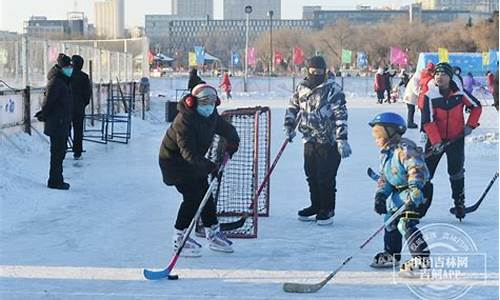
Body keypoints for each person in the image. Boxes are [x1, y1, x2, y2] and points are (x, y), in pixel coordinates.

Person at [159, 83, 240, 256]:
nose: (208, 108)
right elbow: (188, 154)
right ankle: (179, 237)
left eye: (211, 104)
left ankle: (213, 232)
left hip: (194, 162)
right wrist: (210, 166)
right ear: (193, 102)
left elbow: (226, 128)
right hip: (174, 163)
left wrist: (233, 141)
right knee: (193, 197)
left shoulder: (211, 115)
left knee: (205, 193)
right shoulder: (184, 121)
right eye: (204, 104)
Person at [284, 56, 351, 226]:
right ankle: (316, 205)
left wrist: (341, 138)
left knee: (325, 176)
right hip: (309, 138)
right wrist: (289, 125)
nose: (315, 75)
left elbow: (341, 115)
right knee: (311, 173)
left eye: (319, 72)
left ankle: (327, 208)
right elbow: (293, 107)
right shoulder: (302, 87)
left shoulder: (332, 89)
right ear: (308, 71)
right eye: (312, 72)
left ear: (324, 71)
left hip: (328, 141)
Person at [368, 112, 431, 275]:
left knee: (406, 223)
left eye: (378, 134)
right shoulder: (386, 154)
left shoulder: (405, 149)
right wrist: (381, 195)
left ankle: (421, 258)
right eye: (374, 135)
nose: (375, 139)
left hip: (416, 193)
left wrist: (415, 189)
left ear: (391, 133)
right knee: (389, 221)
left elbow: (416, 169)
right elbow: (385, 178)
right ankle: (391, 254)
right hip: (397, 196)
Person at [420, 62, 482, 220]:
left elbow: (476, 106)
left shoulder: (459, 93)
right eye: (437, 74)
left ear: (450, 77)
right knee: (425, 174)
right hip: (435, 141)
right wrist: (436, 142)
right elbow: (428, 122)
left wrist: (470, 125)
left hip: (456, 140)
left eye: (443, 74)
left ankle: (459, 203)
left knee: (456, 172)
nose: (439, 77)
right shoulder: (429, 96)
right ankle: (419, 204)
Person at [34, 54, 73, 190]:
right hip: (58, 122)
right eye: (68, 67)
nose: (70, 69)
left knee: (60, 152)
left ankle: (57, 179)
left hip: (61, 121)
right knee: (57, 153)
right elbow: (48, 102)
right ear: (62, 67)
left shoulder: (62, 80)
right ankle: (55, 181)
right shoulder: (56, 82)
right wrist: (44, 114)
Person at [70, 55, 92, 160]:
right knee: (78, 130)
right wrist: (83, 104)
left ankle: (63, 147)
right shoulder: (84, 77)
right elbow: (87, 94)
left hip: (67, 106)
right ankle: (77, 151)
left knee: (65, 127)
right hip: (79, 107)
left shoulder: (67, 75)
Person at [403, 63, 435, 129]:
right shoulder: (415, 78)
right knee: (411, 110)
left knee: (412, 110)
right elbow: (414, 88)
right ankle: (410, 122)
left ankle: (411, 122)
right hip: (410, 96)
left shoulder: (419, 77)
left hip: (412, 96)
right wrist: (420, 93)